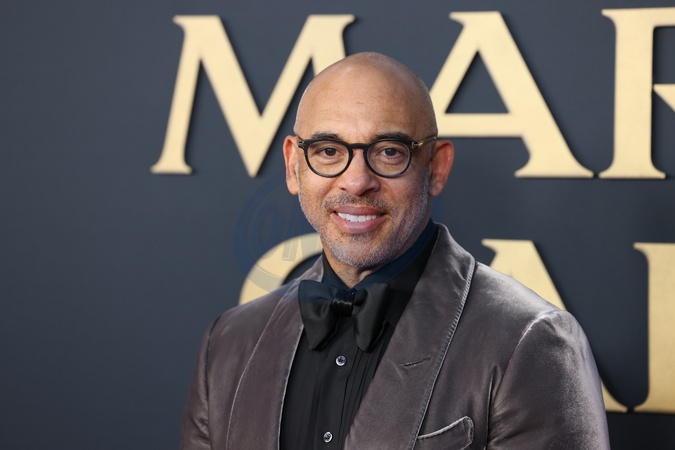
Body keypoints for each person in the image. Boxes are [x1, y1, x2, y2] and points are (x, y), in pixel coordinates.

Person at [180, 52, 610, 449]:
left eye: (388, 152)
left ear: (436, 167)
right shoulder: (228, 343)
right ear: (294, 166)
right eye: (329, 151)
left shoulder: (530, 342)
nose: (356, 181)